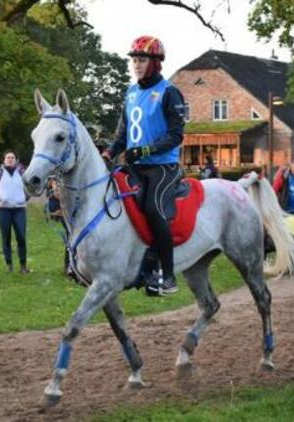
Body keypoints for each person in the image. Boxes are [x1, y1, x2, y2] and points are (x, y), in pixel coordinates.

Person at [101, 35, 185, 297]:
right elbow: (122, 134)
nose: (136, 65)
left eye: (142, 60)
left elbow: (176, 134)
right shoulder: (131, 92)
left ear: (156, 62)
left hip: (163, 167)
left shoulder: (169, 92)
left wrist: (146, 149)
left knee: (152, 208)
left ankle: (168, 276)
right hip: (135, 167)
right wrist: (109, 153)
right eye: (135, 60)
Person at [0, 150, 31, 274]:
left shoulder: (22, 172)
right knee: (6, 237)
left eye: (12, 157)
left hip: (19, 209)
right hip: (3, 210)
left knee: (21, 237)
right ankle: (9, 265)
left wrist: (26, 197)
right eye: (8, 157)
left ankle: (23, 265)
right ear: (4, 160)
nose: (10, 159)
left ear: (16, 160)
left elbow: (29, 186)